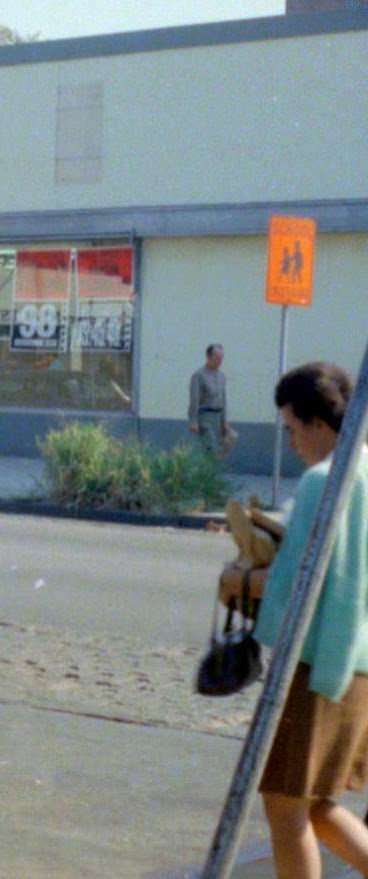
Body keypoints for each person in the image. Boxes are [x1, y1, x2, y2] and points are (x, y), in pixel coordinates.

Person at [219, 361, 368, 878]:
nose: (290, 441)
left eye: (291, 428)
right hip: (359, 672)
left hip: (317, 667)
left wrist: (242, 583)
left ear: (319, 425)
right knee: (318, 805)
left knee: (285, 805)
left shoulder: (321, 482)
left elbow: (294, 585)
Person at [190, 343, 233, 457]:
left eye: (221, 358)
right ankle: (208, 471)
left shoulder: (222, 377)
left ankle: (211, 470)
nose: (220, 361)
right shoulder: (199, 375)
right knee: (210, 447)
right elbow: (194, 399)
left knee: (224, 445)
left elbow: (223, 399)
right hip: (205, 416)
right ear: (209, 357)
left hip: (218, 417)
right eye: (217, 358)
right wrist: (193, 421)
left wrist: (224, 421)